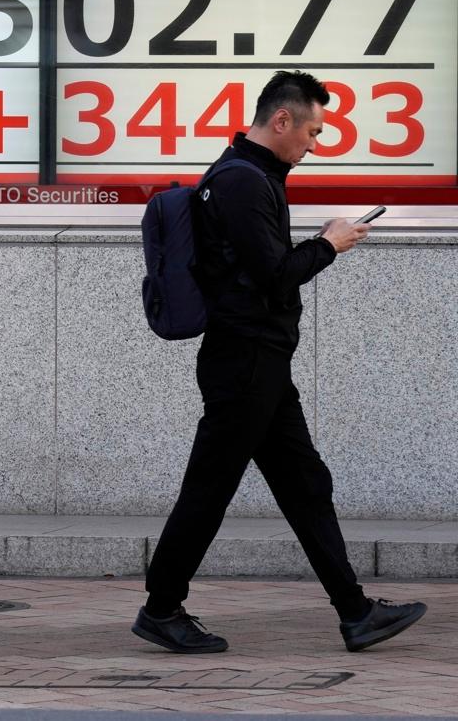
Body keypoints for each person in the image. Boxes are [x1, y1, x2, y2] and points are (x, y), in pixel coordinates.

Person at [134, 70, 426, 654]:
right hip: (245, 362)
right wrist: (330, 245)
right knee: (210, 489)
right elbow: (273, 275)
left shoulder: (250, 175)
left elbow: (256, 265)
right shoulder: (243, 182)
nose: (315, 145)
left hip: (257, 361)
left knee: (304, 485)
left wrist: (314, 242)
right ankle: (161, 607)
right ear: (282, 119)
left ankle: (356, 612)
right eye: (313, 131)